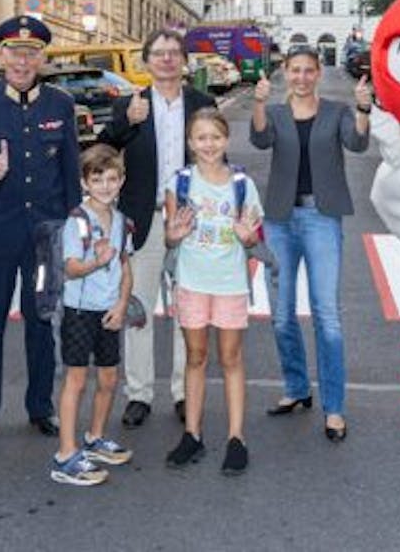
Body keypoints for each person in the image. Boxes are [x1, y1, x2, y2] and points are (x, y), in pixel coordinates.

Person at [0, 15, 81, 444]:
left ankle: (40, 407)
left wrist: (72, 223)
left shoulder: (60, 104)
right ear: (2, 55)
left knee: (40, 323)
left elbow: (70, 169)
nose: (22, 61)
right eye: (15, 52)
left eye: (31, 53)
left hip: (44, 235)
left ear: (42, 58)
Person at [248, 45, 371, 441]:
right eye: (295, 70)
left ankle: (334, 408)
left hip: (321, 217)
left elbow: (356, 144)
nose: (301, 77)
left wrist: (364, 110)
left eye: (308, 71)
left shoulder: (335, 111)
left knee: (326, 314)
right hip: (280, 219)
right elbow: (260, 139)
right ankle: (297, 388)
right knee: (281, 314)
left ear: (318, 74)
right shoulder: (279, 113)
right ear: (286, 71)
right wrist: (260, 103)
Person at [96, 29, 216, 428]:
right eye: (159, 53)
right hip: (143, 217)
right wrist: (126, 125)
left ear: (183, 61)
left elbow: (216, 155)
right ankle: (139, 394)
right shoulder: (132, 104)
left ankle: (184, 391)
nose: (166, 60)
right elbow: (104, 150)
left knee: (188, 311)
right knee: (140, 309)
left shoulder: (202, 103)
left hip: (188, 219)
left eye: (173, 53)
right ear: (147, 62)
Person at [163, 108, 264, 476]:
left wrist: (247, 236)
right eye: (201, 138)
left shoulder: (242, 184)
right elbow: (169, 235)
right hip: (192, 280)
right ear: (191, 143)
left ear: (226, 140)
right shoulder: (180, 183)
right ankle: (192, 433)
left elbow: (253, 234)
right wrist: (173, 234)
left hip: (230, 282)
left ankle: (237, 438)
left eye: (215, 137)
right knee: (195, 356)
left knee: (231, 358)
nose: (209, 145)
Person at [50, 144, 136, 487]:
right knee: (76, 379)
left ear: (122, 181)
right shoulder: (78, 221)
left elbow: (126, 267)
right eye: (97, 179)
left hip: (108, 310)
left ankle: (95, 437)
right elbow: (70, 269)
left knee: (109, 378)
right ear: (85, 183)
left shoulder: (121, 221)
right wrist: (96, 263)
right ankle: (65, 454)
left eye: (111, 179)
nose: (105, 185)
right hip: (79, 310)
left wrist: (120, 305)